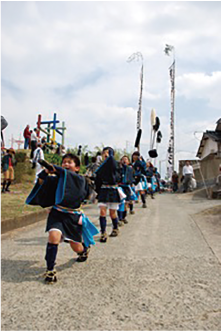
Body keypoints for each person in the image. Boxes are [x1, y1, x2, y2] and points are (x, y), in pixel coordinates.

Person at [26, 153, 99, 284]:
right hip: (57, 214)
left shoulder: (80, 179)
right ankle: (50, 270)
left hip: (73, 217)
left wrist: (56, 169)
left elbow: (70, 179)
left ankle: (84, 250)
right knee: (53, 236)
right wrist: (45, 173)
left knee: (76, 247)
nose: (65, 164)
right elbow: (42, 183)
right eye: (64, 162)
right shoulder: (58, 179)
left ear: (77, 168)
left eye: (69, 162)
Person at [94, 147, 121, 242]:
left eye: (108, 153)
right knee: (102, 212)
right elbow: (97, 181)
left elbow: (118, 176)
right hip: (103, 190)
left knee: (112, 213)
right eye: (104, 153)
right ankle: (103, 232)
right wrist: (98, 192)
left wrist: (110, 158)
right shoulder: (99, 167)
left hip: (113, 190)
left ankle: (115, 228)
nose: (105, 155)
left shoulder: (116, 165)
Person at [118, 155, 135, 225]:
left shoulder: (130, 169)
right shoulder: (118, 168)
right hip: (119, 186)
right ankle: (120, 218)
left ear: (128, 161)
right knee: (119, 203)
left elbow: (132, 178)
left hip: (127, 187)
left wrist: (131, 184)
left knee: (126, 203)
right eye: (123, 159)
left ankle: (123, 217)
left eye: (126, 159)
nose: (124, 160)